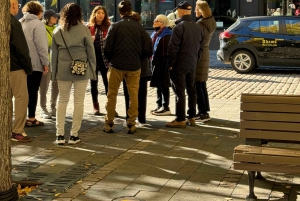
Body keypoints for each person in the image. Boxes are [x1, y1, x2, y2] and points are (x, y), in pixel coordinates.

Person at [104, 0, 152, 134]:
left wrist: (112, 59)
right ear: (130, 12)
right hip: (134, 66)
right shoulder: (139, 27)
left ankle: (109, 123)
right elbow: (148, 48)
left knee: (111, 94)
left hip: (116, 66)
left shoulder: (115, 26)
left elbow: (107, 48)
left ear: (120, 13)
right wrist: (138, 57)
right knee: (133, 95)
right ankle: (131, 123)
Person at [51, 3, 96, 145]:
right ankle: (74, 135)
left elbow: (54, 55)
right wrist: (92, 70)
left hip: (63, 70)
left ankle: (59, 135)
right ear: (79, 14)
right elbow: (91, 51)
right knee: (79, 102)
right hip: (81, 69)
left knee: (62, 100)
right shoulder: (84, 30)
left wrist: (54, 74)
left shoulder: (58, 31)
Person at [166, 1, 204, 128]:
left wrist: (171, 63)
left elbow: (173, 48)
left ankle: (180, 119)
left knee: (180, 92)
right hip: (191, 63)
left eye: (177, 11)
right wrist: (195, 60)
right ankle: (192, 116)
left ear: (181, 12)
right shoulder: (198, 27)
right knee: (191, 90)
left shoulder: (179, 27)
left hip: (179, 64)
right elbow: (201, 48)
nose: (176, 13)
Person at [20, 1, 50, 127]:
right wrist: (45, 63)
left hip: (21, 63)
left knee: (22, 92)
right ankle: (31, 118)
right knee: (33, 91)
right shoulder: (38, 24)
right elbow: (42, 46)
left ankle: (20, 119)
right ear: (39, 12)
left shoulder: (20, 22)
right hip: (35, 63)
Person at [122, 11, 152, 127]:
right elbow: (149, 51)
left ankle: (129, 117)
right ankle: (142, 118)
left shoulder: (125, 33)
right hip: (141, 67)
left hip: (128, 67)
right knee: (141, 94)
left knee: (128, 94)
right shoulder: (144, 32)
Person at [87, 6, 118, 116]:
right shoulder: (89, 27)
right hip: (93, 58)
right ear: (94, 14)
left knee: (107, 83)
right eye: (98, 13)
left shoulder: (109, 26)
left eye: (103, 13)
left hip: (105, 58)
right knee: (93, 82)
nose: (100, 15)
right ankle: (96, 106)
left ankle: (110, 107)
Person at [9, 0, 33, 142]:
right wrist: (28, 67)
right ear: (12, 6)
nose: (17, 8)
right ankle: (17, 130)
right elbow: (21, 49)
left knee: (6, 100)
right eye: (16, 5)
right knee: (21, 98)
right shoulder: (13, 23)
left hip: (7, 66)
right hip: (16, 67)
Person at [194, 0, 216, 122]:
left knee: (198, 84)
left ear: (201, 10)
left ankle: (202, 113)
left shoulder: (200, 24)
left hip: (199, 55)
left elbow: (195, 42)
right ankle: (205, 110)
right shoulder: (211, 21)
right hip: (205, 54)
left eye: (196, 9)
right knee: (202, 84)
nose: (194, 11)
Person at [150, 14, 172, 116]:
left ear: (162, 24)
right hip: (156, 62)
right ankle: (159, 105)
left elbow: (167, 51)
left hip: (163, 63)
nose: (154, 21)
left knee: (164, 85)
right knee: (158, 85)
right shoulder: (155, 33)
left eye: (156, 20)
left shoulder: (167, 34)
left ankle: (165, 106)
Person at [39, 9, 59, 119]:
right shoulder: (42, 28)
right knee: (44, 86)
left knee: (56, 84)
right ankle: (43, 108)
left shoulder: (56, 29)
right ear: (47, 18)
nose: (56, 18)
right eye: (54, 17)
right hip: (45, 61)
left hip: (56, 61)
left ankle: (53, 106)